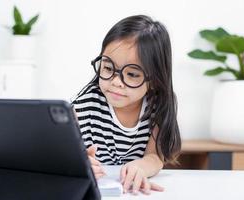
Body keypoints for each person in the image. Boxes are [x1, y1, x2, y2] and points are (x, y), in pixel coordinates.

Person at [72, 15, 181, 195]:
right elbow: (60, 157)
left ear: (154, 80)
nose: (116, 82)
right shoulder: (82, 107)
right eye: (107, 68)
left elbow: (155, 157)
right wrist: (78, 163)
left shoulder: (156, 107)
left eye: (131, 74)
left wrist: (141, 167)